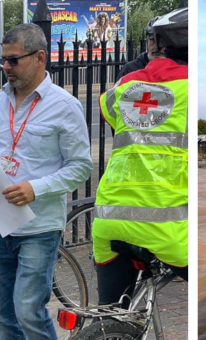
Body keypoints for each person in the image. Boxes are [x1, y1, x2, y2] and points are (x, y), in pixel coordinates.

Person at [0, 24, 92, 339]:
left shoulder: (65, 107)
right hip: (1, 222)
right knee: (3, 314)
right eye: (3, 60)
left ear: (40, 57)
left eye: (13, 60)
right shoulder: (0, 100)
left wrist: (35, 188)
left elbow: (81, 166)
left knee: (28, 309)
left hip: (38, 227)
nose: (6, 67)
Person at [93, 7, 189, 306]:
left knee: (111, 313)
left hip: (108, 220)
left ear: (158, 45)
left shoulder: (124, 86)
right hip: (169, 229)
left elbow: (109, 115)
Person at [115, 16, 160, 81]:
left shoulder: (175, 68)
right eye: (152, 40)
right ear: (147, 41)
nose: (157, 47)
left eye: (162, 41)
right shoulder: (130, 69)